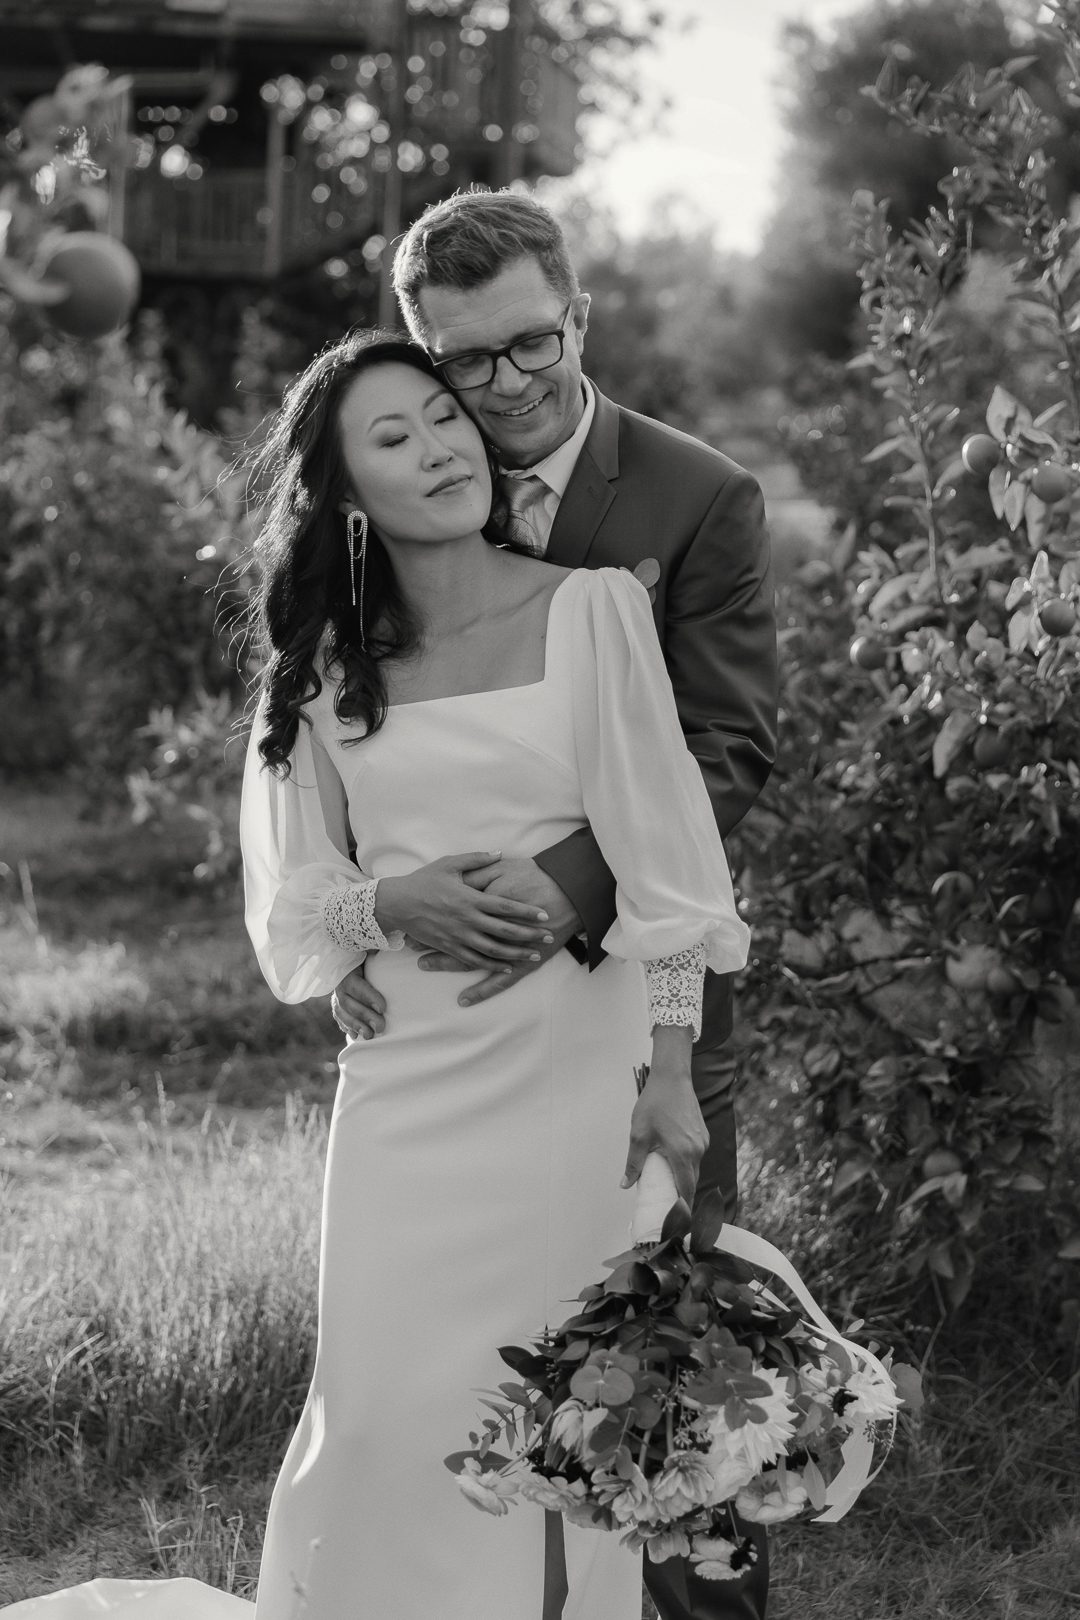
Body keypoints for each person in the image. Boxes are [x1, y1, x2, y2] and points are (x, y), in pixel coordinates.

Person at [1, 331, 750, 1620]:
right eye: (393, 439)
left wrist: (672, 1067)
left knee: (568, 1403)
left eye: (444, 419)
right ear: (348, 496)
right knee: (384, 1399)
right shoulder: (322, 671)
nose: (442, 449)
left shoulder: (593, 610)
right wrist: (384, 903)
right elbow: (291, 907)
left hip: (576, 1065)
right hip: (406, 1079)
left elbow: (670, 860)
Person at [331, 188, 778, 1620]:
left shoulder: (697, 497)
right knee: (460, 1372)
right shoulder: (386, 504)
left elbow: (726, 749)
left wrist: (562, 887)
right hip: (449, 1030)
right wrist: (372, 912)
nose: (508, 382)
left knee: (668, 1364)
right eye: (466, 360)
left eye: (533, 341)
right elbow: (335, 750)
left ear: (578, 315)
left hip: (642, 993)